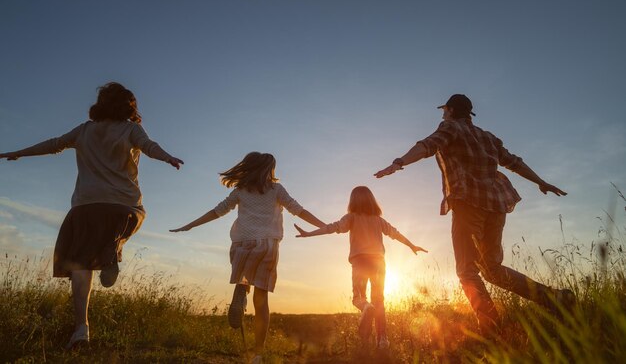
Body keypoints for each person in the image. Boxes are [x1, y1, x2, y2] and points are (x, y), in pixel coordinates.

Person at [0, 82, 184, 349]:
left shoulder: (84, 130)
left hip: (85, 207)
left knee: (81, 266)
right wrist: (167, 157)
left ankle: (81, 329)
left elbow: (54, 144)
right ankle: (113, 250)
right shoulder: (131, 129)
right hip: (123, 207)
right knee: (131, 220)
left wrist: (19, 153)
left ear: (99, 104)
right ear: (129, 105)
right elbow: (148, 145)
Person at [374, 94, 573, 336]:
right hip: (497, 203)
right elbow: (514, 162)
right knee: (492, 269)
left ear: (449, 110)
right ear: (469, 114)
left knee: (467, 270)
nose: (442, 114)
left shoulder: (449, 127)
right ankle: (555, 299)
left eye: (444, 110)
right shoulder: (487, 137)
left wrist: (399, 162)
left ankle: (491, 328)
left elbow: (427, 145)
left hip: (469, 202)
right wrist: (541, 182)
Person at [170, 152, 325, 364]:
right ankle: (258, 353)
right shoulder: (276, 190)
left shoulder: (241, 191)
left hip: (241, 245)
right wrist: (324, 226)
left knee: (244, 277)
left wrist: (190, 225)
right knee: (261, 301)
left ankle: (242, 289)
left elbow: (218, 211)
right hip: (267, 245)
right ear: (269, 169)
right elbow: (298, 210)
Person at [294, 186, 427, 350]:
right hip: (379, 262)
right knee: (379, 300)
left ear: (352, 201)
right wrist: (411, 245)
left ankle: (365, 307)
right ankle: (382, 340)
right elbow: (395, 233)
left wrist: (309, 234)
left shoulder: (351, 217)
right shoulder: (378, 220)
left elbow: (332, 228)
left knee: (358, 298)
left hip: (360, 262)